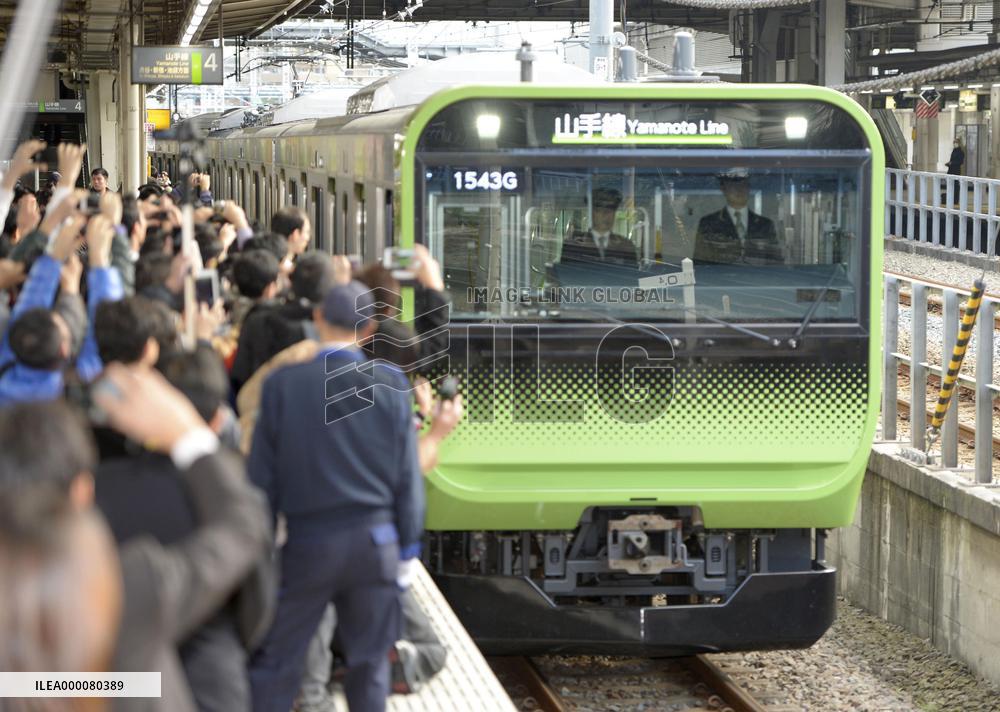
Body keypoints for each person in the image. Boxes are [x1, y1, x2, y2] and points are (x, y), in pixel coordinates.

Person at [247, 281, 424, 712]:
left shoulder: (283, 385)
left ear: (318, 319)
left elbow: (260, 479)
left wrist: (265, 546)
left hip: (307, 545)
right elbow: (408, 482)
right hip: (374, 545)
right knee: (370, 667)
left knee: (278, 661)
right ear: (369, 329)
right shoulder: (392, 385)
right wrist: (405, 552)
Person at [693, 171, 781, 264]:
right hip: (719, 277)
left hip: (759, 277)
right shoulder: (708, 223)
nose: (739, 190)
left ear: (749, 188)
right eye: (733, 185)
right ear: (723, 188)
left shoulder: (765, 224)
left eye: (744, 185)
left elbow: (775, 262)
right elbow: (700, 263)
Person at [558, 187, 637, 268]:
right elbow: (566, 275)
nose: (606, 215)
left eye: (610, 210)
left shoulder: (626, 245)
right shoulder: (573, 246)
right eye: (600, 210)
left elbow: (634, 276)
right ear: (591, 213)